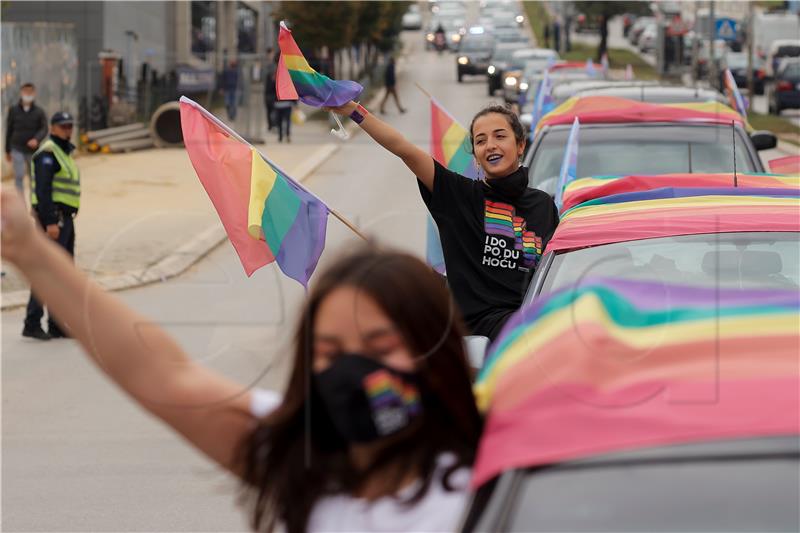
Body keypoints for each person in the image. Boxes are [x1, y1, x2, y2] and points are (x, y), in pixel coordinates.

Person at [0, 200, 483, 532]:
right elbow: (164, 376)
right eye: (330, 353)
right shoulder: (302, 460)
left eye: (380, 346)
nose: (354, 370)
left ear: (435, 351)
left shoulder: (490, 488)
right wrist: (31, 253)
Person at [327, 102, 559, 342]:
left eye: (500, 136)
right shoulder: (458, 195)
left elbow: (556, 272)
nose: (490, 145)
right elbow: (404, 149)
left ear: (520, 145)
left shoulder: (543, 205)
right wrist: (352, 109)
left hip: (536, 329)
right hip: (479, 338)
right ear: (476, 157)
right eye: (480, 141)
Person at [22, 111, 80, 341]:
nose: (68, 129)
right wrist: (49, 222)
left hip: (65, 219)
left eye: (70, 126)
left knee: (62, 273)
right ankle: (32, 322)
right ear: (53, 128)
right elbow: (43, 191)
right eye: (63, 126)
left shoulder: (63, 152)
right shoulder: (48, 153)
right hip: (53, 219)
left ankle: (56, 323)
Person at [4, 83, 48, 195]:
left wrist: (36, 139)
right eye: (25, 91)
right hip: (16, 147)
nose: (27, 94)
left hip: (32, 150)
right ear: (21, 93)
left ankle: (35, 204)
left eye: (30, 92)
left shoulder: (39, 112)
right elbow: (9, 129)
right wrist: (7, 150)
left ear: (34, 93)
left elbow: (44, 128)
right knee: (19, 175)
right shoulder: (13, 110)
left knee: (34, 176)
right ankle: (20, 205)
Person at [263, 47, 277, 132]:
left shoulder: (275, 66)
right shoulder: (265, 66)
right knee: (268, 109)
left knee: (274, 109)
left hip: (273, 91)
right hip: (267, 91)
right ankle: (270, 125)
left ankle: (274, 124)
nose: (270, 56)